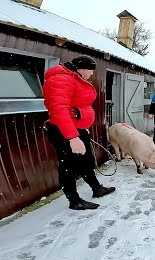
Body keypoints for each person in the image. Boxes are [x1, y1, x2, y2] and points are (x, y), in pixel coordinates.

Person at [42, 55, 116, 210]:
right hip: (64, 132)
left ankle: (96, 188)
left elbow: (76, 104)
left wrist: (81, 118)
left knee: (86, 161)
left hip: (76, 129)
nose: (92, 74)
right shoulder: (61, 79)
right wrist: (73, 137)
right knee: (67, 166)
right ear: (82, 69)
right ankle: (74, 201)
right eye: (91, 70)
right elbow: (59, 110)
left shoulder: (73, 78)